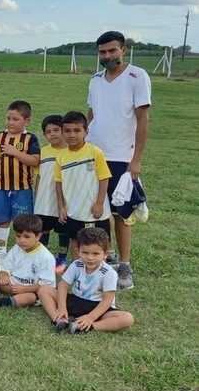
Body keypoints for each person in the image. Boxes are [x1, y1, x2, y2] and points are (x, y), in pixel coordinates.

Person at [86, 30, 151, 289]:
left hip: (122, 157)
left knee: (122, 213)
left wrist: (136, 159)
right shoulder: (96, 79)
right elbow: (90, 116)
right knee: (98, 209)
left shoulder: (137, 76)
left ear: (123, 50)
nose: (107, 56)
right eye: (102, 52)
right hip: (95, 154)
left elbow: (143, 119)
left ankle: (125, 265)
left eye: (112, 50)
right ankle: (107, 253)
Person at [38, 227, 134, 333]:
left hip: (98, 307)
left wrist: (91, 317)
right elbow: (63, 286)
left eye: (96, 254)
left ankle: (84, 327)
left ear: (105, 254)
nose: (90, 258)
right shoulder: (76, 264)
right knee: (44, 290)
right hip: (76, 301)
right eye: (85, 253)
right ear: (78, 251)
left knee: (127, 318)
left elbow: (107, 300)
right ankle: (59, 319)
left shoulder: (109, 273)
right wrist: (61, 307)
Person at [0, 214, 55, 312]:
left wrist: (24, 289)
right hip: (13, 285)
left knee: (29, 297)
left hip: (31, 290)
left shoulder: (46, 257)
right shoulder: (16, 248)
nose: (21, 240)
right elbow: (5, 266)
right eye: (18, 236)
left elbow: (45, 285)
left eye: (27, 237)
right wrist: (4, 275)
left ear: (38, 236)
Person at [55, 111, 111, 261]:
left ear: (86, 131)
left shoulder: (95, 152)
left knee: (99, 242)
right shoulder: (61, 156)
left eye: (77, 130)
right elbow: (58, 183)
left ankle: (100, 270)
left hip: (94, 210)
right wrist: (61, 206)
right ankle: (77, 270)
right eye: (67, 131)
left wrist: (99, 203)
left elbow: (104, 178)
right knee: (75, 241)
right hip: (74, 210)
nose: (72, 135)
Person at [0, 100, 40, 265]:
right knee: (3, 219)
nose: (11, 122)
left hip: (23, 189)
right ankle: (2, 249)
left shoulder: (30, 138)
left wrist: (15, 152)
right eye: (8, 118)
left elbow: (35, 161)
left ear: (27, 121)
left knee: (23, 221)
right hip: (1, 187)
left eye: (16, 119)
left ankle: (22, 249)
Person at [34, 115, 70, 274]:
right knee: (44, 228)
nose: (53, 134)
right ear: (44, 135)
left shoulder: (69, 151)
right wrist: (36, 198)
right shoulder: (43, 151)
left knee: (63, 230)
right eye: (48, 132)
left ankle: (62, 258)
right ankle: (44, 256)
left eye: (56, 130)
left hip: (63, 200)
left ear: (63, 130)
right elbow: (39, 176)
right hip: (44, 199)